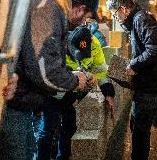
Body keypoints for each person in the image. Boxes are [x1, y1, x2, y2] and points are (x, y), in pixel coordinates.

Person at [0, 0, 100, 160]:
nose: (84, 23)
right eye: (87, 17)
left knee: (27, 150)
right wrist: (75, 81)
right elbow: (44, 72)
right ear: (80, 9)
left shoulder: (48, 6)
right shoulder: (48, 10)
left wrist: (70, 74)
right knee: (18, 154)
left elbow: (45, 59)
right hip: (4, 97)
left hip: (16, 97)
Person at [36, 25, 116, 160]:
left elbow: (101, 71)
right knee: (48, 128)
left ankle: (63, 157)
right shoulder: (54, 44)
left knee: (69, 127)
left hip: (73, 92)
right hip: (52, 92)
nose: (80, 59)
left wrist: (108, 93)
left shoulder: (94, 45)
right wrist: (73, 77)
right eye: (77, 54)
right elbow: (48, 74)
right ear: (68, 44)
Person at [106, 0, 157, 160]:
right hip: (146, 85)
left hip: (151, 86)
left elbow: (155, 48)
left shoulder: (141, 19)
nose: (115, 18)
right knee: (137, 126)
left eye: (115, 13)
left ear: (124, 9)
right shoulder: (135, 20)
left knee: (140, 131)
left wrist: (134, 64)